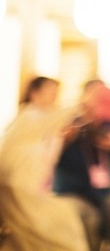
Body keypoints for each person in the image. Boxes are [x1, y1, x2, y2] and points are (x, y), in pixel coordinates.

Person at [0, 77, 88, 251]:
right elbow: (49, 119)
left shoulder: (42, 125)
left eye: (56, 93)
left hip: (31, 188)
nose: (54, 97)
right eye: (50, 92)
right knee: (55, 231)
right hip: (19, 188)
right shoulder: (29, 115)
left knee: (26, 238)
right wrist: (81, 105)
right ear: (34, 93)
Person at [53, 80, 110, 251]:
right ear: (83, 97)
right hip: (70, 194)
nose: (98, 100)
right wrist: (64, 140)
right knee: (90, 228)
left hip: (101, 195)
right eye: (95, 95)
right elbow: (49, 160)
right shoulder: (68, 123)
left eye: (103, 95)